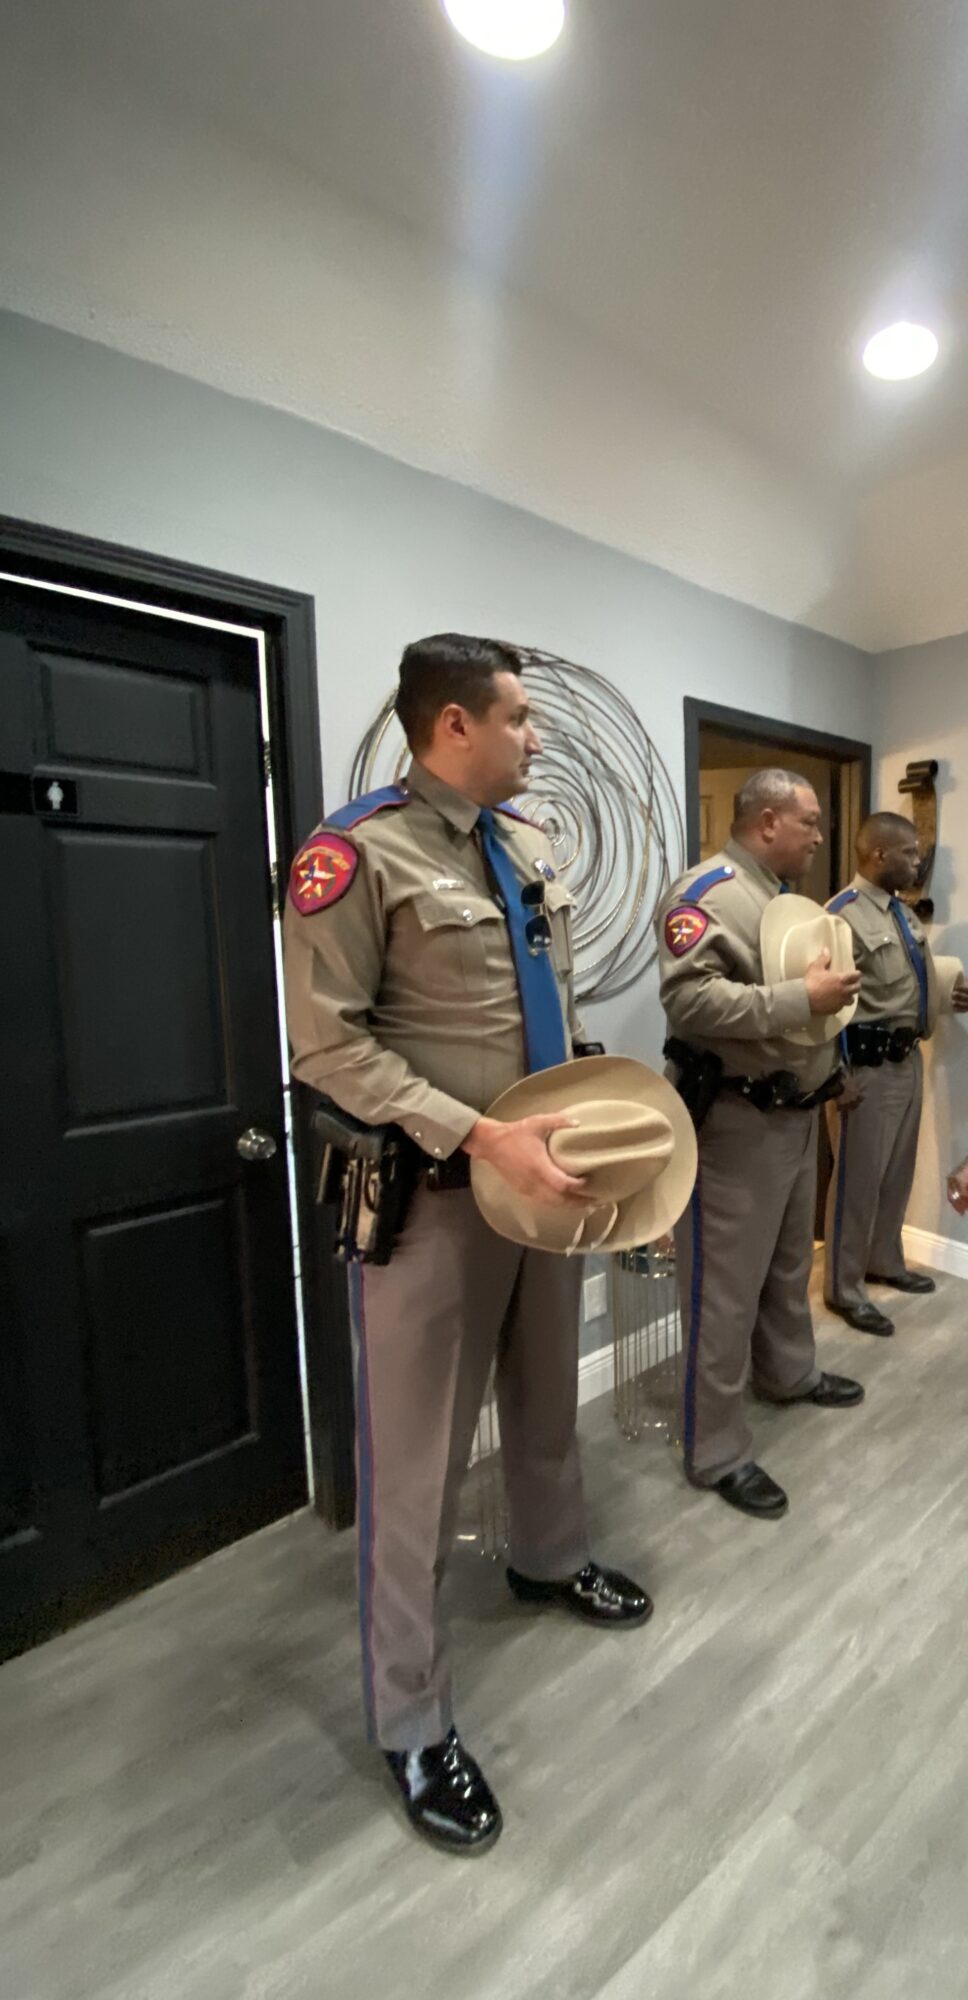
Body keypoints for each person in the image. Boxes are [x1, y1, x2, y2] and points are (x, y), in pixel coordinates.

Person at [283, 633, 650, 1856]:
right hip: (433, 1199)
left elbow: (546, 1002)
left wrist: (593, 1107)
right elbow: (327, 1049)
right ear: (451, 724)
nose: (534, 737)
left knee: (547, 1397)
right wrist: (482, 1136)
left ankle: (546, 1558)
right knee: (417, 1467)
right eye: (518, 718)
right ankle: (410, 1714)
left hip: (542, 1179)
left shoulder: (526, 846)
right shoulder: (355, 854)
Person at [656, 768, 865, 1521]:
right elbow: (686, 998)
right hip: (735, 1123)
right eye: (808, 822)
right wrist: (795, 1000)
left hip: (797, 1111)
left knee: (785, 1265)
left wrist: (832, 1069)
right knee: (723, 1292)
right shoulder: (708, 894)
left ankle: (788, 1374)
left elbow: (812, 1013)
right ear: (768, 821)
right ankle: (713, 1450)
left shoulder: (783, 900)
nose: (817, 834)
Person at [823, 812, 968, 1335]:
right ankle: (843, 1288)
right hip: (865, 1069)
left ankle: (884, 1258)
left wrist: (944, 992)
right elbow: (825, 1008)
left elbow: (909, 979)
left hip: (906, 1062)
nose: (918, 861)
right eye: (909, 853)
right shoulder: (840, 916)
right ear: (879, 854)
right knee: (856, 1183)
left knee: (895, 1175)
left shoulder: (902, 915)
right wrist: (837, 1076)